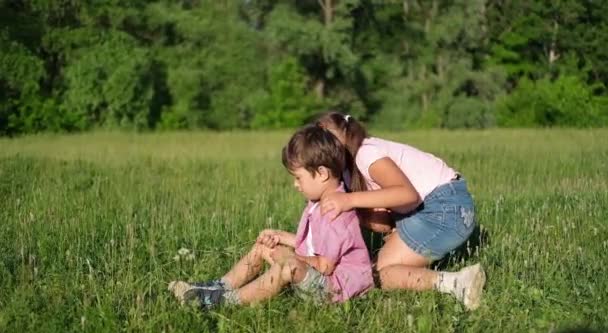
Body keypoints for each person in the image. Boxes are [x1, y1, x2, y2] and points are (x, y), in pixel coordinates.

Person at [168, 124, 373, 308]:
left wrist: (292, 257)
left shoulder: (337, 214)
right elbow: (315, 244)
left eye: (298, 178)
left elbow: (325, 266)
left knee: (287, 265)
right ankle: (218, 286)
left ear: (322, 173)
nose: (295, 185)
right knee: (265, 247)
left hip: (333, 290)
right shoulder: (319, 203)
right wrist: (281, 237)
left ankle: (224, 300)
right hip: (314, 277)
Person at [314, 111, 485, 310]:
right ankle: (450, 279)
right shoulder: (350, 169)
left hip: (445, 208)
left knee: (375, 275)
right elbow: (383, 224)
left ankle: (457, 283)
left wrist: (349, 200)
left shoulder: (366, 154)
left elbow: (407, 195)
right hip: (447, 208)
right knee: (375, 271)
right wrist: (351, 211)